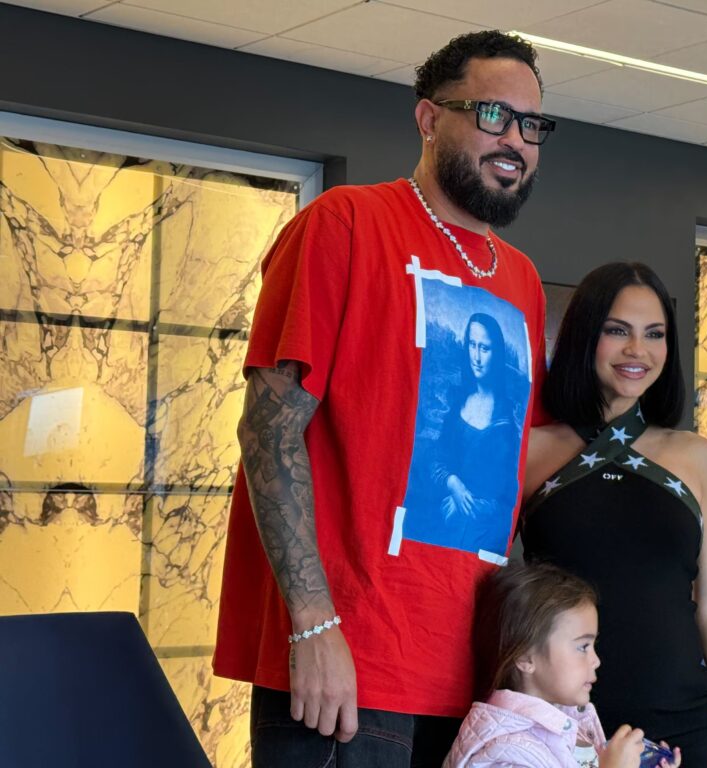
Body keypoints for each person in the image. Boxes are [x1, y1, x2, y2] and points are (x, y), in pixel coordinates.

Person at [212, 30, 553, 768]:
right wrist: (312, 624)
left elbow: (506, 473)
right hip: (348, 668)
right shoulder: (343, 224)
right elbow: (269, 433)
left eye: (532, 125)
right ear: (429, 119)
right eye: (493, 114)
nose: (516, 141)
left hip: (472, 680)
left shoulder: (522, 281)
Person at [521, 263, 707, 768]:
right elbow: (497, 591)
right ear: (586, 336)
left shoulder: (696, 456)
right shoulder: (529, 449)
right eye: (617, 331)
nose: (637, 350)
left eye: (654, 334)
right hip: (560, 732)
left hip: (683, 729)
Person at [444, 562, 680, 768]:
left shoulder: (570, 727)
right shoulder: (505, 752)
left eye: (593, 645)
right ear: (525, 658)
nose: (596, 660)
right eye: (582, 647)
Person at [431, 313, 523, 551]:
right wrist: (453, 485)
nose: (477, 357)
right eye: (472, 345)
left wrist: (476, 505)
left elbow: (509, 487)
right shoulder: (457, 404)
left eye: (485, 348)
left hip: (485, 530)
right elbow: (438, 460)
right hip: (447, 521)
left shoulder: (509, 417)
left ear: (497, 353)